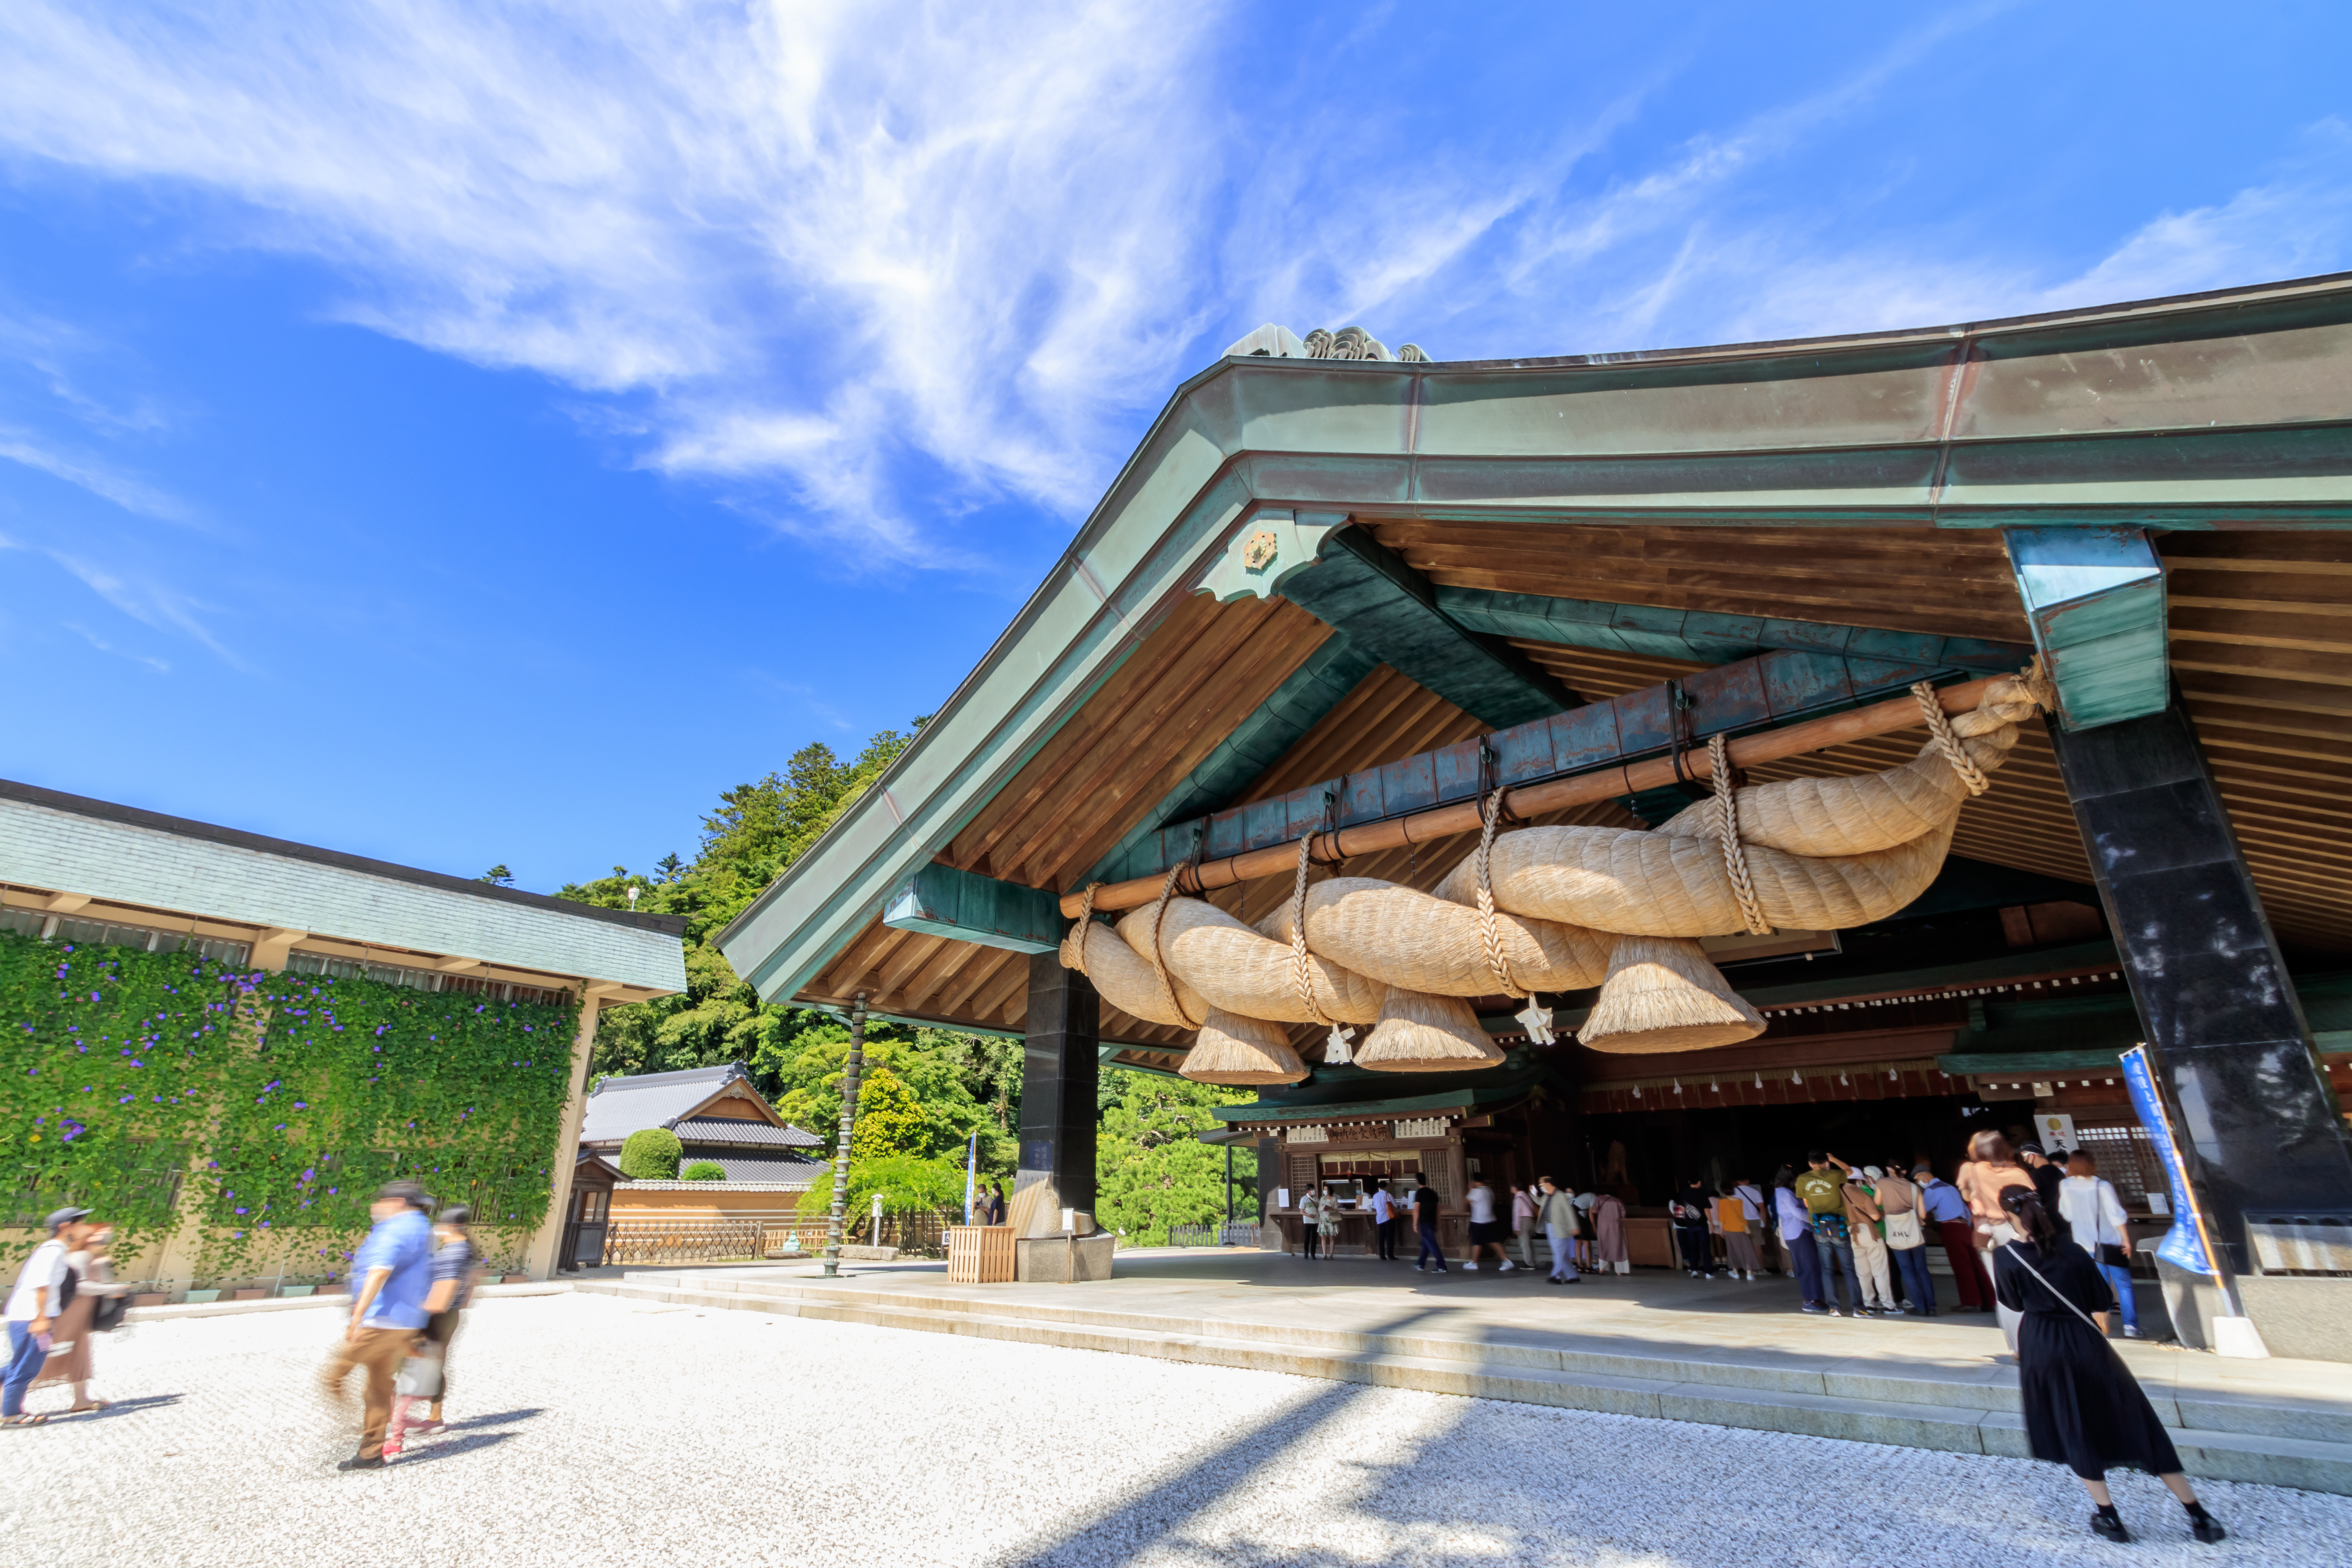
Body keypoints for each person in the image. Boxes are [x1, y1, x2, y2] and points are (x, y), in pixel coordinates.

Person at [1994, 1187, 2224, 1544]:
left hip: (2042, 1341)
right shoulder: (2072, 1250)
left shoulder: (2006, 1256)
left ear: (2008, 1215)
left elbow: (2012, 1301)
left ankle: (2110, 1518)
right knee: (2136, 1419)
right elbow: (2102, 1298)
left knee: (2074, 1425)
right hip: (2085, 1341)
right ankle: (2199, 1516)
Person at [322, 1180, 436, 1471]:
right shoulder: (424, 1229)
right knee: (377, 1389)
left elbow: (379, 1271)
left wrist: (357, 1317)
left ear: (397, 1202)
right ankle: (371, 1453)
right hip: (406, 1322)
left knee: (334, 1376)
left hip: (380, 1321)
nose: (376, 1208)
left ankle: (346, 1426)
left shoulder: (395, 1228)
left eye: (380, 1202)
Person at [387, 1204, 482, 1454]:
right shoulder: (464, 1250)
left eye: (440, 1225)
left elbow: (445, 1290)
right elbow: (473, 1283)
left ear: (449, 1226)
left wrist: (419, 1317)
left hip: (437, 1316)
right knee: (433, 1364)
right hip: (449, 1314)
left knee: (416, 1365)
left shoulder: (454, 1252)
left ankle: (406, 1425)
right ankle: (433, 1417)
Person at [5, 1207, 98, 1426]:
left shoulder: (55, 1249)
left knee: (22, 1364)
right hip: (31, 1317)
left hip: (29, 1315)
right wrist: (41, 1319)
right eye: (81, 1224)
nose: (85, 1228)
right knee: (27, 1367)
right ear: (66, 1226)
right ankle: (10, 1414)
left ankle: (9, 1409)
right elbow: (42, 1286)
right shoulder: (53, 1250)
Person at [32, 1219, 130, 1414]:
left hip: (81, 1315)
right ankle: (7, 1393)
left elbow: (100, 1283)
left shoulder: (93, 1257)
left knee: (79, 1355)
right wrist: (116, 1288)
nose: (105, 1239)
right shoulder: (80, 1256)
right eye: (101, 1235)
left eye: (107, 1236)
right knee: (47, 1355)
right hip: (70, 1314)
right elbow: (81, 1287)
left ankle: (81, 1400)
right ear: (89, 1236)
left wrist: (103, 1267)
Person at [1960, 1131, 2036, 1354]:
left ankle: (2017, 1347)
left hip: (1990, 1231)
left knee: (2003, 1290)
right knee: (2027, 1287)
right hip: (2019, 1231)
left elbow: (1966, 1196)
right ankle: (2033, 1341)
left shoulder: (1972, 1170)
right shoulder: (2018, 1173)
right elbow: (2033, 1203)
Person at [2059, 1151, 2140, 1339]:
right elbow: (2116, 1215)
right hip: (2110, 1243)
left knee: (2098, 1286)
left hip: (2083, 1245)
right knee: (2124, 1286)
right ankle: (2131, 1327)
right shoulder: (2102, 1186)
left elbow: (2067, 1215)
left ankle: (2101, 1326)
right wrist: (2126, 1240)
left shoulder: (2065, 1185)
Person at [1796, 1152, 1864, 1316]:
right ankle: (1858, 1309)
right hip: (1839, 1225)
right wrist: (1833, 1159)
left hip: (1819, 1226)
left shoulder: (1802, 1179)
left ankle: (1835, 1308)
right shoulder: (1835, 1175)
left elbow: (1806, 1203)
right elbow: (1849, 1171)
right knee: (1849, 1269)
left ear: (1810, 1164)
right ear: (1825, 1162)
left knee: (1827, 1270)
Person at [1918, 1161, 1992, 1312]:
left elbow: (1923, 1211)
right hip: (1964, 1226)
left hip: (1950, 1228)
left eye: (1918, 1178)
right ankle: (1988, 1301)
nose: (1918, 1182)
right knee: (1975, 1264)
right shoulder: (1950, 1187)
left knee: (1961, 1266)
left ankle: (1971, 1302)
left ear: (1924, 1176)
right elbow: (1965, 1209)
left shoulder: (1932, 1190)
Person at [1834, 1159, 1901, 1315]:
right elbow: (1875, 1217)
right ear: (1858, 1181)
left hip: (1853, 1233)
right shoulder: (1862, 1194)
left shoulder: (1838, 1195)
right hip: (1869, 1233)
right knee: (1880, 1271)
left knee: (1863, 1273)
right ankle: (1889, 1305)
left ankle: (1869, 1304)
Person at [1873, 1163, 1937, 1317]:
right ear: (1905, 1171)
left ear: (1889, 1169)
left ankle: (1920, 1307)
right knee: (1922, 1270)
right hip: (1915, 1234)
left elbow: (1877, 1203)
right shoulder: (1915, 1188)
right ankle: (1932, 1307)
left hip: (1897, 1233)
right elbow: (1922, 1216)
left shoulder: (1882, 1183)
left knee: (1907, 1271)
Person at [1774, 1167, 1827, 1313]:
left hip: (1796, 1232)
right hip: (1799, 1232)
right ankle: (1812, 1301)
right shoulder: (1785, 1193)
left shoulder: (1781, 1192)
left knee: (1808, 1266)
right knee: (1810, 1266)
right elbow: (1797, 1212)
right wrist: (1815, 1218)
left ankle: (1813, 1299)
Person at [1463, 1177, 1513, 1271]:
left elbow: (1467, 1201)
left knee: (1477, 1242)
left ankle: (1474, 1263)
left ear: (1475, 1182)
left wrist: (1470, 1189)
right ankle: (1506, 1261)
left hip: (1479, 1221)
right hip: (1490, 1220)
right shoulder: (1489, 1190)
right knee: (1492, 1241)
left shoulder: (1477, 1191)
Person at [1668, 1179, 1715, 1279]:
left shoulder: (1685, 1193)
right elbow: (1707, 1209)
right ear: (1699, 1182)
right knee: (1705, 1248)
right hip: (1702, 1224)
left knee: (1693, 1247)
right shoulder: (1703, 1193)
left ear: (1690, 1182)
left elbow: (1683, 1208)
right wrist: (1711, 1223)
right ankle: (1708, 1273)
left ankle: (1694, 1271)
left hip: (1690, 1225)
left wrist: (1690, 1218)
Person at [1718, 1178, 1762, 1281]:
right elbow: (1742, 1216)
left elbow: (1722, 1218)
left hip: (1729, 1229)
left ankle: (1735, 1272)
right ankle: (1749, 1274)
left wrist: (1721, 1231)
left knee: (1732, 1250)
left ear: (1723, 1191)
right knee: (1746, 1250)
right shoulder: (1739, 1201)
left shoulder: (1723, 1202)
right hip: (1741, 1228)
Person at [1538, 1177, 1581, 1284]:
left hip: (1560, 1228)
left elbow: (1569, 1212)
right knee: (1560, 1253)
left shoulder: (1561, 1196)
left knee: (1559, 1253)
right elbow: (1539, 1202)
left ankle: (1555, 1276)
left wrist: (1574, 1227)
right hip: (1550, 1227)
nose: (1541, 1187)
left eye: (1542, 1185)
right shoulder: (1547, 1196)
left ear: (1549, 1184)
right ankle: (1573, 1276)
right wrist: (1532, 1194)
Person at [1410, 1174, 1447, 1273]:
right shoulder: (1432, 1192)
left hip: (1425, 1220)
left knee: (1431, 1243)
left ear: (1417, 1181)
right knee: (1426, 1243)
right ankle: (1421, 1264)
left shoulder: (1419, 1193)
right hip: (1432, 1221)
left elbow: (1416, 1209)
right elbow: (1439, 1208)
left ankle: (1441, 1266)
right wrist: (1438, 1222)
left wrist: (1414, 1224)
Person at [1589, 1188, 1628, 1275]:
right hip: (1615, 1226)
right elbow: (1623, 1214)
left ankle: (1602, 1269)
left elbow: (1594, 1211)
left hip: (1603, 1226)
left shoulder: (1599, 1199)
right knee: (1618, 1246)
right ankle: (1619, 1271)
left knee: (1603, 1245)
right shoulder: (1618, 1201)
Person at [2019, 1142, 2067, 1211]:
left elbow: (2033, 1199)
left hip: (2049, 1216)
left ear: (2032, 1155)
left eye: (2024, 1156)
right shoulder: (2057, 1170)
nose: (2024, 1160)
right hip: (2063, 1213)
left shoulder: (2036, 1174)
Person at [1511, 1184, 1540, 1270]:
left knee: (1524, 1243)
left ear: (1515, 1188)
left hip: (1523, 1221)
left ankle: (1529, 1263)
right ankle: (1535, 1260)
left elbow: (1516, 1214)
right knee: (1529, 1242)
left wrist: (1516, 1227)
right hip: (1531, 1220)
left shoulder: (1518, 1198)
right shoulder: (1527, 1196)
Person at [1368, 1180, 1397, 1261]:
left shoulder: (1375, 1196)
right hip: (1388, 1218)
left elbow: (1375, 1207)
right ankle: (1391, 1256)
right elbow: (1395, 1205)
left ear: (1379, 1187)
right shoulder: (1388, 1195)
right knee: (1390, 1238)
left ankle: (1382, 1256)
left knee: (1381, 1238)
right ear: (1386, 1186)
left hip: (1380, 1219)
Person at [1298, 1188, 1323, 1259]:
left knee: (1314, 1238)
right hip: (1308, 1221)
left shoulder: (1316, 1199)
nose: (1313, 1191)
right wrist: (1309, 1215)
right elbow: (1301, 1212)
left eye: (1314, 1189)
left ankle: (1313, 1253)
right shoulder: (1304, 1199)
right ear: (1308, 1191)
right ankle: (1306, 1253)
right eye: (1312, 1190)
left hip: (1316, 1221)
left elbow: (1319, 1209)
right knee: (1307, 1238)